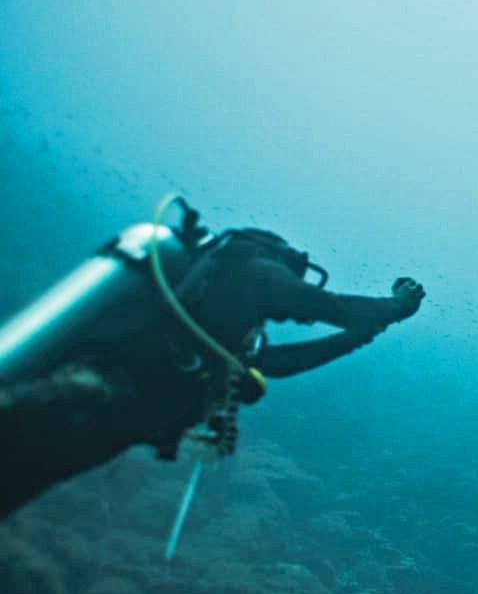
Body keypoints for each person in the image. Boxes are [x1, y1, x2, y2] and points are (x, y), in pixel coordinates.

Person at [0, 219, 424, 518]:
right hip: (101, 393)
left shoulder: (227, 314)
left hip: (122, 414)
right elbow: (326, 307)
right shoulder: (252, 268)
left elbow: (279, 364)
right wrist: (396, 307)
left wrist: (367, 333)